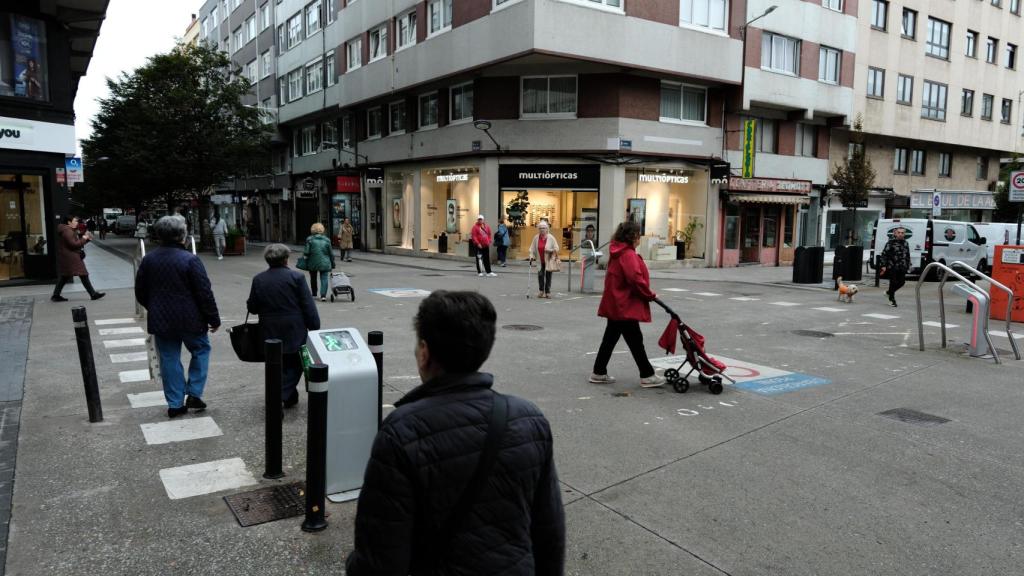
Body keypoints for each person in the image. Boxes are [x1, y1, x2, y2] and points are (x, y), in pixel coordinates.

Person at [345, 290, 565, 575]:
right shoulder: (528, 418)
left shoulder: (401, 432)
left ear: (424, 352)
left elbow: (381, 558)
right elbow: (549, 531)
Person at [135, 215, 220, 418]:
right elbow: (204, 292)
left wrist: (155, 306)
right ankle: (194, 392)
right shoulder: (190, 259)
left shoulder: (149, 260)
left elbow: (140, 291)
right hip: (190, 318)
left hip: (161, 319)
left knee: (169, 358)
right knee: (201, 349)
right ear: (182, 235)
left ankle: (175, 403)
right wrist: (213, 318)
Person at [590, 221, 665, 388]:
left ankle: (599, 372)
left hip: (616, 303)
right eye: (639, 235)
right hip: (624, 304)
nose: (640, 238)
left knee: (610, 339)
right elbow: (635, 279)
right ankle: (647, 374)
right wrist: (649, 295)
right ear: (633, 237)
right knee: (635, 340)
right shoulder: (628, 254)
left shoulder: (618, 251)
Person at [247, 244, 320, 408]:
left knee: (276, 363)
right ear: (286, 259)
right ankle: (280, 396)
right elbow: (307, 304)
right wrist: (314, 326)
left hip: (269, 327)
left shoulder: (259, 279)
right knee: (295, 363)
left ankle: (289, 396)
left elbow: (252, 308)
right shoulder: (296, 277)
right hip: (293, 327)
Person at [51, 215, 105, 302]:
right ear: (69, 222)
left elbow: (76, 243)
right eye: (75, 221)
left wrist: (87, 239)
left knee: (65, 276)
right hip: (71, 257)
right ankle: (93, 294)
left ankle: (56, 295)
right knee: (83, 274)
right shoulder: (67, 231)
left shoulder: (67, 230)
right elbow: (74, 244)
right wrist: (84, 238)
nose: (77, 223)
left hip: (68, 256)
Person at [879, 226, 911, 307]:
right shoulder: (891, 242)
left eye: (902, 233)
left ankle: (888, 293)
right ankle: (892, 300)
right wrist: (883, 265)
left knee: (902, 282)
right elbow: (884, 254)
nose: (900, 234)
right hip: (892, 266)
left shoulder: (906, 243)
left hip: (902, 266)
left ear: (904, 234)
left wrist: (908, 265)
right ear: (895, 233)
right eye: (899, 232)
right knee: (893, 283)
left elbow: (907, 255)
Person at [529, 219, 560, 299]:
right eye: (540, 228)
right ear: (538, 229)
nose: (542, 230)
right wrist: (531, 256)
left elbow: (557, 248)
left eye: (543, 228)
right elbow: (532, 248)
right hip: (540, 261)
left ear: (547, 229)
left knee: (548, 276)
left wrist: (549, 250)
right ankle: (541, 291)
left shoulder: (551, 238)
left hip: (549, 261)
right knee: (540, 275)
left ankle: (548, 292)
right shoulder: (536, 238)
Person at [304, 222, 335, 302]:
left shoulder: (309, 239)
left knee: (313, 277)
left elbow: (306, 252)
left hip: (313, 262)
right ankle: (323, 296)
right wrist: (332, 262)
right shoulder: (327, 240)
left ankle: (314, 294)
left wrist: (305, 258)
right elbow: (331, 253)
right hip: (325, 262)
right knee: (324, 278)